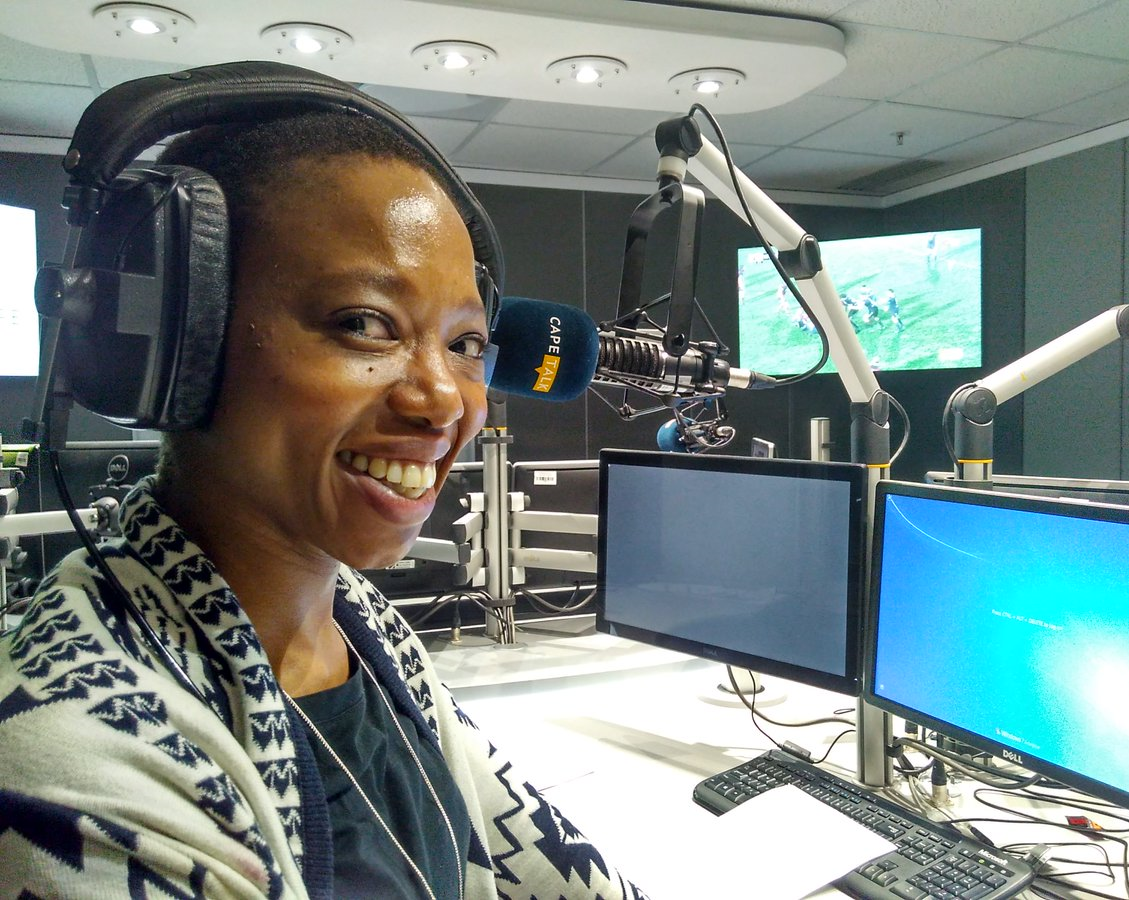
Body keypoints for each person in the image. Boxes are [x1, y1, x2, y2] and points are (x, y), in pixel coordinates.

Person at [0, 70, 647, 899]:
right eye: (364, 323)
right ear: (181, 338)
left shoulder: (355, 621)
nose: (445, 399)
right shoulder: (72, 772)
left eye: (465, 344)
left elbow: (544, 862)